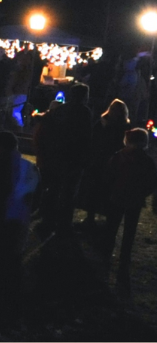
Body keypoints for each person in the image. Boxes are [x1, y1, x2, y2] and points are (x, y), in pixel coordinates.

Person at [0, 131, 38, 326]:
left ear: (2, 147)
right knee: (12, 267)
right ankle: (12, 310)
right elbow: (36, 201)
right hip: (17, 226)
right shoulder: (30, 168)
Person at [102, 128, 157, 299]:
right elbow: (151, 182)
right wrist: (142, 194)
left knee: (111, 228)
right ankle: (123, 263)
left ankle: (106, 256)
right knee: (129, 233)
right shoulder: (147, 161)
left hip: (117, 197)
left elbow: (108, 175)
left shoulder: (119, 156)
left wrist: (111, 190)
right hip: (134, 200)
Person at [34, 82, 93, 238]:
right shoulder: (84, 112)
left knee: (53, 190)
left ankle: (48, 221)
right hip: (72, 158)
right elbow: (85, 138)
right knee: (68, 193)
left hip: (56, 156)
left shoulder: (60, 110)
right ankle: (63, 224)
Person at [78, 99, 130, 229]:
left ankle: (92, 217)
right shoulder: (122, 126)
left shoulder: (104, 124)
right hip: (106, 161)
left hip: (102, 161)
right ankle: (99, 218)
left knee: (97, 190)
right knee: (101, 190)